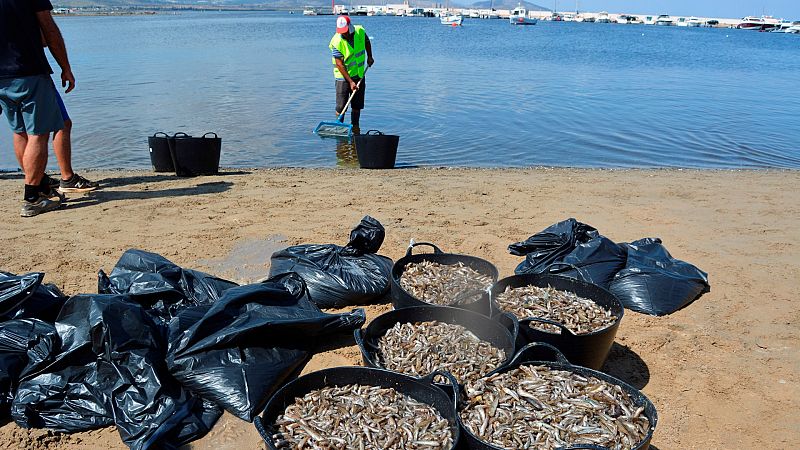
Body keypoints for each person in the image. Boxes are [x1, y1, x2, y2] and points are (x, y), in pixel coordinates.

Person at [0, 0, 75, 216]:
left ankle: (39, 183)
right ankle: (33, 197)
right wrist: (65, 68)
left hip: (2, 78)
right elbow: (49, 30)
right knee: (38, 134)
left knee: (20, 131)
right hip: (28, 71)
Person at [329, 15, 374, 134]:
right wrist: (350, 81)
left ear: (350, 27)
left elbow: (367, 42)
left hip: (359, 74)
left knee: (357, 105)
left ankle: (355, 128)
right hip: (342, 77)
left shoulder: (360, 31)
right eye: (341, 32)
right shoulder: (336, 41)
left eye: (345, 32)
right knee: (341, 106)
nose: (344, 34)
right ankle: (340, 128)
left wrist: (370, 56)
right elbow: (339, 64)